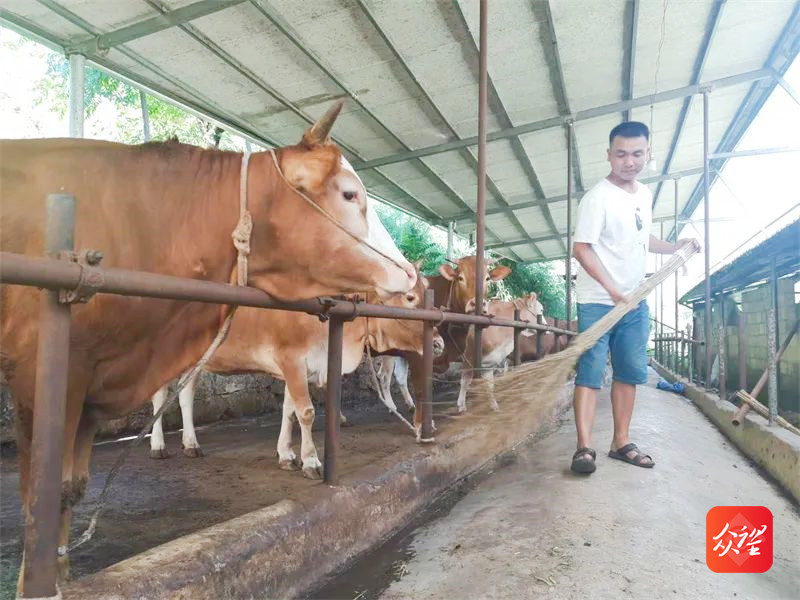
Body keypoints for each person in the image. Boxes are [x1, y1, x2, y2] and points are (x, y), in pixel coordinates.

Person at [569, 121, 695, 475]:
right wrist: (612, 289)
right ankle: (584, 447)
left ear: (647, 154)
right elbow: (582, 249)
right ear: (609, 155)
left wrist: (673, 247)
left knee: (629, 373)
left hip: (635, 301)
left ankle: (620, 442)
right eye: (621, 154)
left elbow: (641, 236)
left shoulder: (643, 195)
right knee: (591, 373)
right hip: (598, 301)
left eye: (637, 154)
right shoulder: (597, 198)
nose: (629, 161)